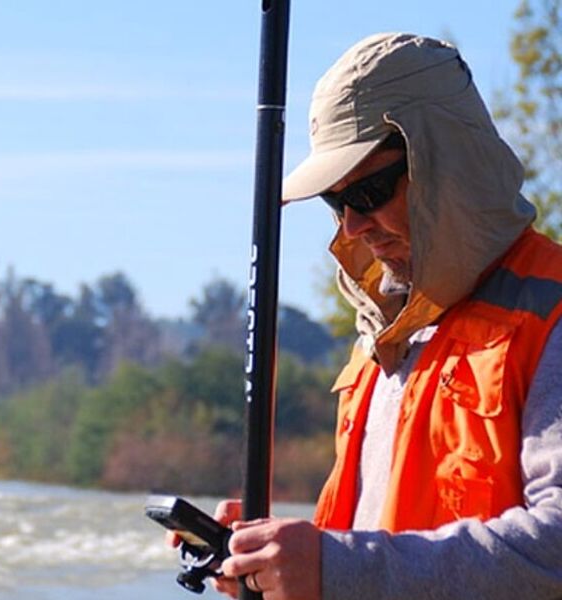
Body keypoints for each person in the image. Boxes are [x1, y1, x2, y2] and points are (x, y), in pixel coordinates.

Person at [208, 32, 562, 600]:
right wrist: (282, 559)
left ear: (448, 167)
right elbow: (380, 542)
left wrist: (336, 567)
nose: (351, 226)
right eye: (336, 201)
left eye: (369, 191)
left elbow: (555, 552)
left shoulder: (553, 315)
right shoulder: (384, 344)